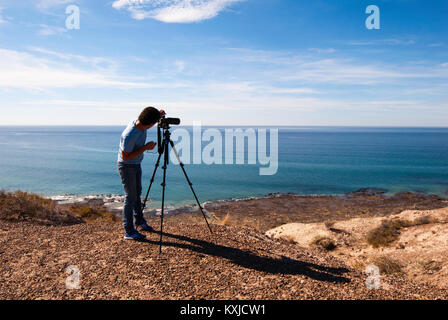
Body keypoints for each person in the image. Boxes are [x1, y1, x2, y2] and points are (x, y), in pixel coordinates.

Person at [117, 107, 165, 240]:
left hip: (136, 164)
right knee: (130, 196)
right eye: (153, 124)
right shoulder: (130, 135)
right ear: (149, 124)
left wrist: (157, 114)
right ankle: (129, 231)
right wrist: (145, 148)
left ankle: (139, 221)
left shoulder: (139, 121)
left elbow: (147, 115)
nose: (153, 126)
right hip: (126, 166)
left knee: (137, 193)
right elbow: (125, 157)